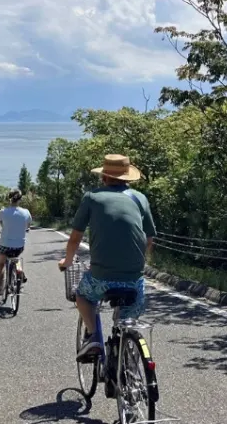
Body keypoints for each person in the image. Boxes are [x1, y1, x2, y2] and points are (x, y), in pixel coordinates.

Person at [58, 154, 156, 360]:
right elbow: (149, 240)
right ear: (128, 178)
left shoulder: (92, 197)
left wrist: (67, 261)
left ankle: (93, 336)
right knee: (127, 322)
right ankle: (128, 363)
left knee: (82, 296)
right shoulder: (140, 198)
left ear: (104, 177)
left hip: (101, 277)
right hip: (133, 278)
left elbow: (75, 237)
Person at [0, 189, 32, 296]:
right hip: (19, 246)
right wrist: (25, 228)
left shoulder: (3, 212)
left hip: (5, 245)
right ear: (20, 199)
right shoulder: (26, 212)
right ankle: (20, 273)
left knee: (1, 263)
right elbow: (28, 225)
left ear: (9, 199)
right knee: (16, 257)